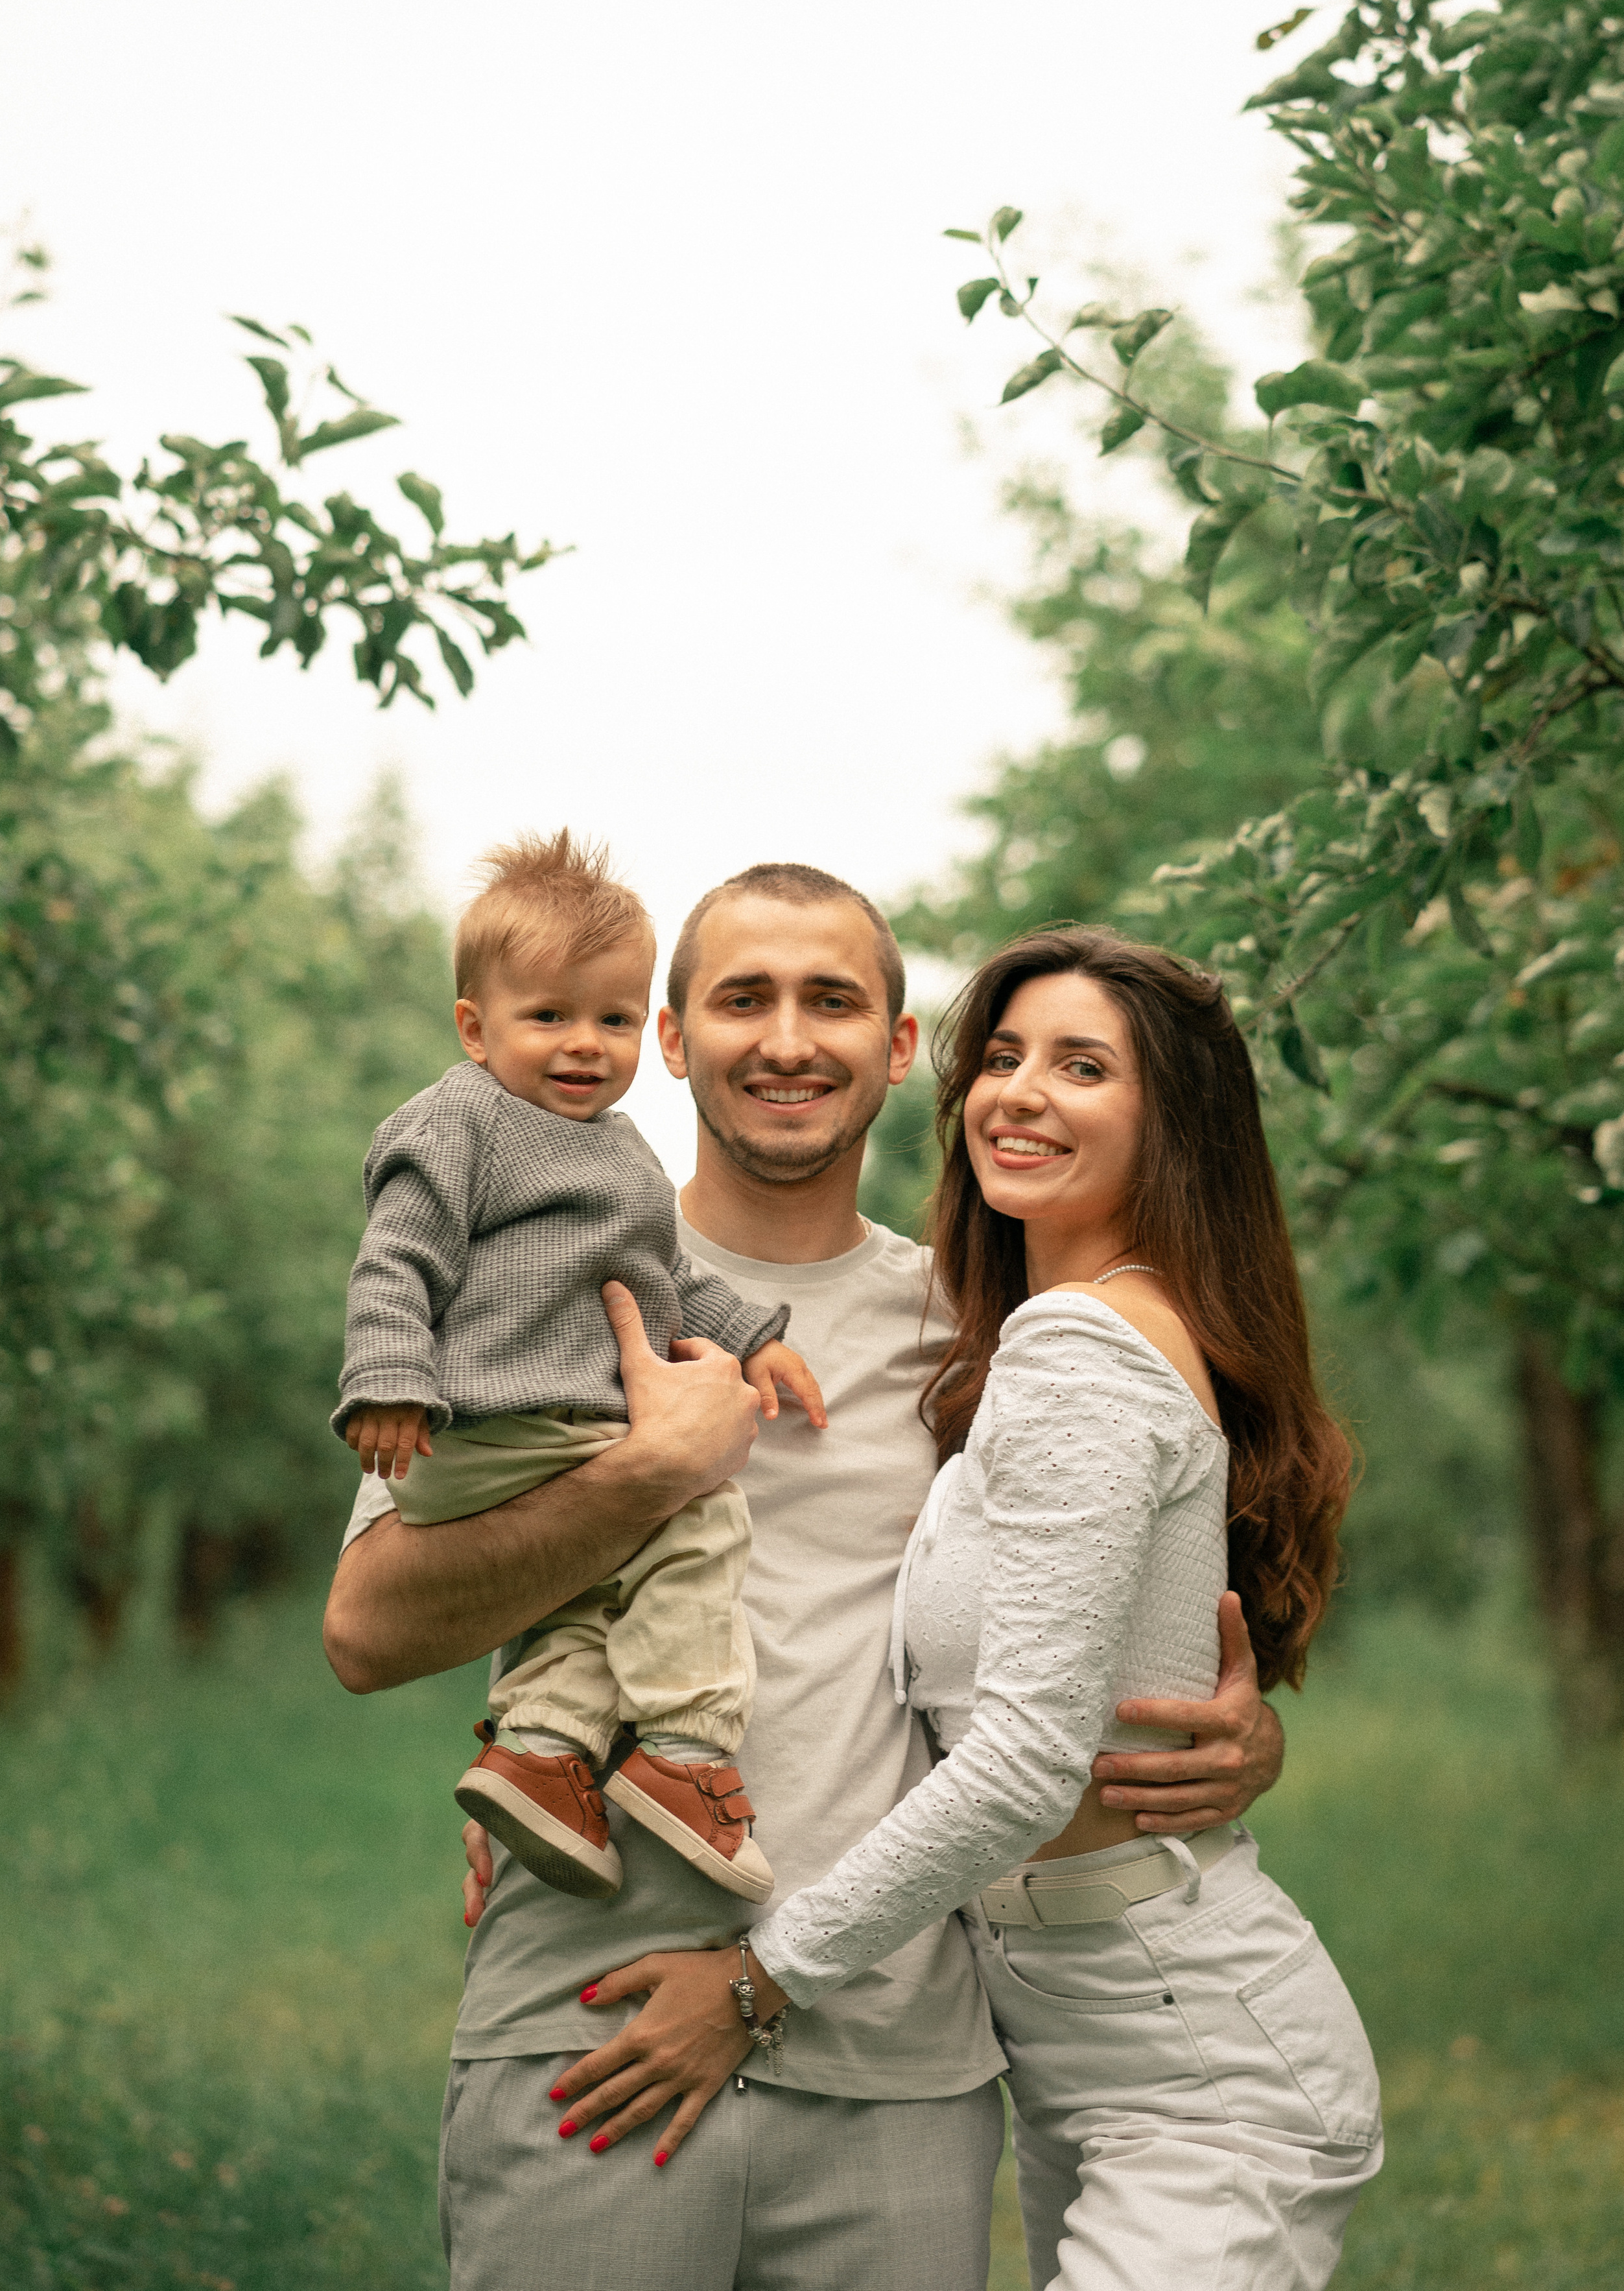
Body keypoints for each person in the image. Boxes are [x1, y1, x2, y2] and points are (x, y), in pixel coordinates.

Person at [324, 870, 1286, 2291]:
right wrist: (648, 1474)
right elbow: (365, 1629)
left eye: (831, 1001)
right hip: (589, 2022)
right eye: (741, 1000)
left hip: (892, 2055)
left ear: (897, 1048)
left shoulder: (987, 1333)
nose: (787, 1039)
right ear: (669, 1038)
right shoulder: (527, 1283)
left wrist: (1235, 1736)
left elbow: (1088, 1621)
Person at [550, 925, 1380, 2291]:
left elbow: (1020, 1762)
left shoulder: (1078, 1348)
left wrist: (761, 1981)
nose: (1018, 1093)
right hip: (1076, 2036)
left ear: (1171, 1123)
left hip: (1190, 2054)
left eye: (1080, 1067)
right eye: (999, 1058)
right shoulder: (1043, 1334)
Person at [333, 830, 821, 1905]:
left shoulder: (617, 1147)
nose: (582, 1046)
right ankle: (688, 1752)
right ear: (475, 1026)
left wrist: (753, 1334)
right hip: (504, 1419)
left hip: (549, 1431)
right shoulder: (461, 1119)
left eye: (609, 1019)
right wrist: (387, 1377)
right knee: (699, 1517)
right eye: (547, 1016)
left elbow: (659, 1278)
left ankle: (543, 1754)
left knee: (588, 1587)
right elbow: (396, 1258)